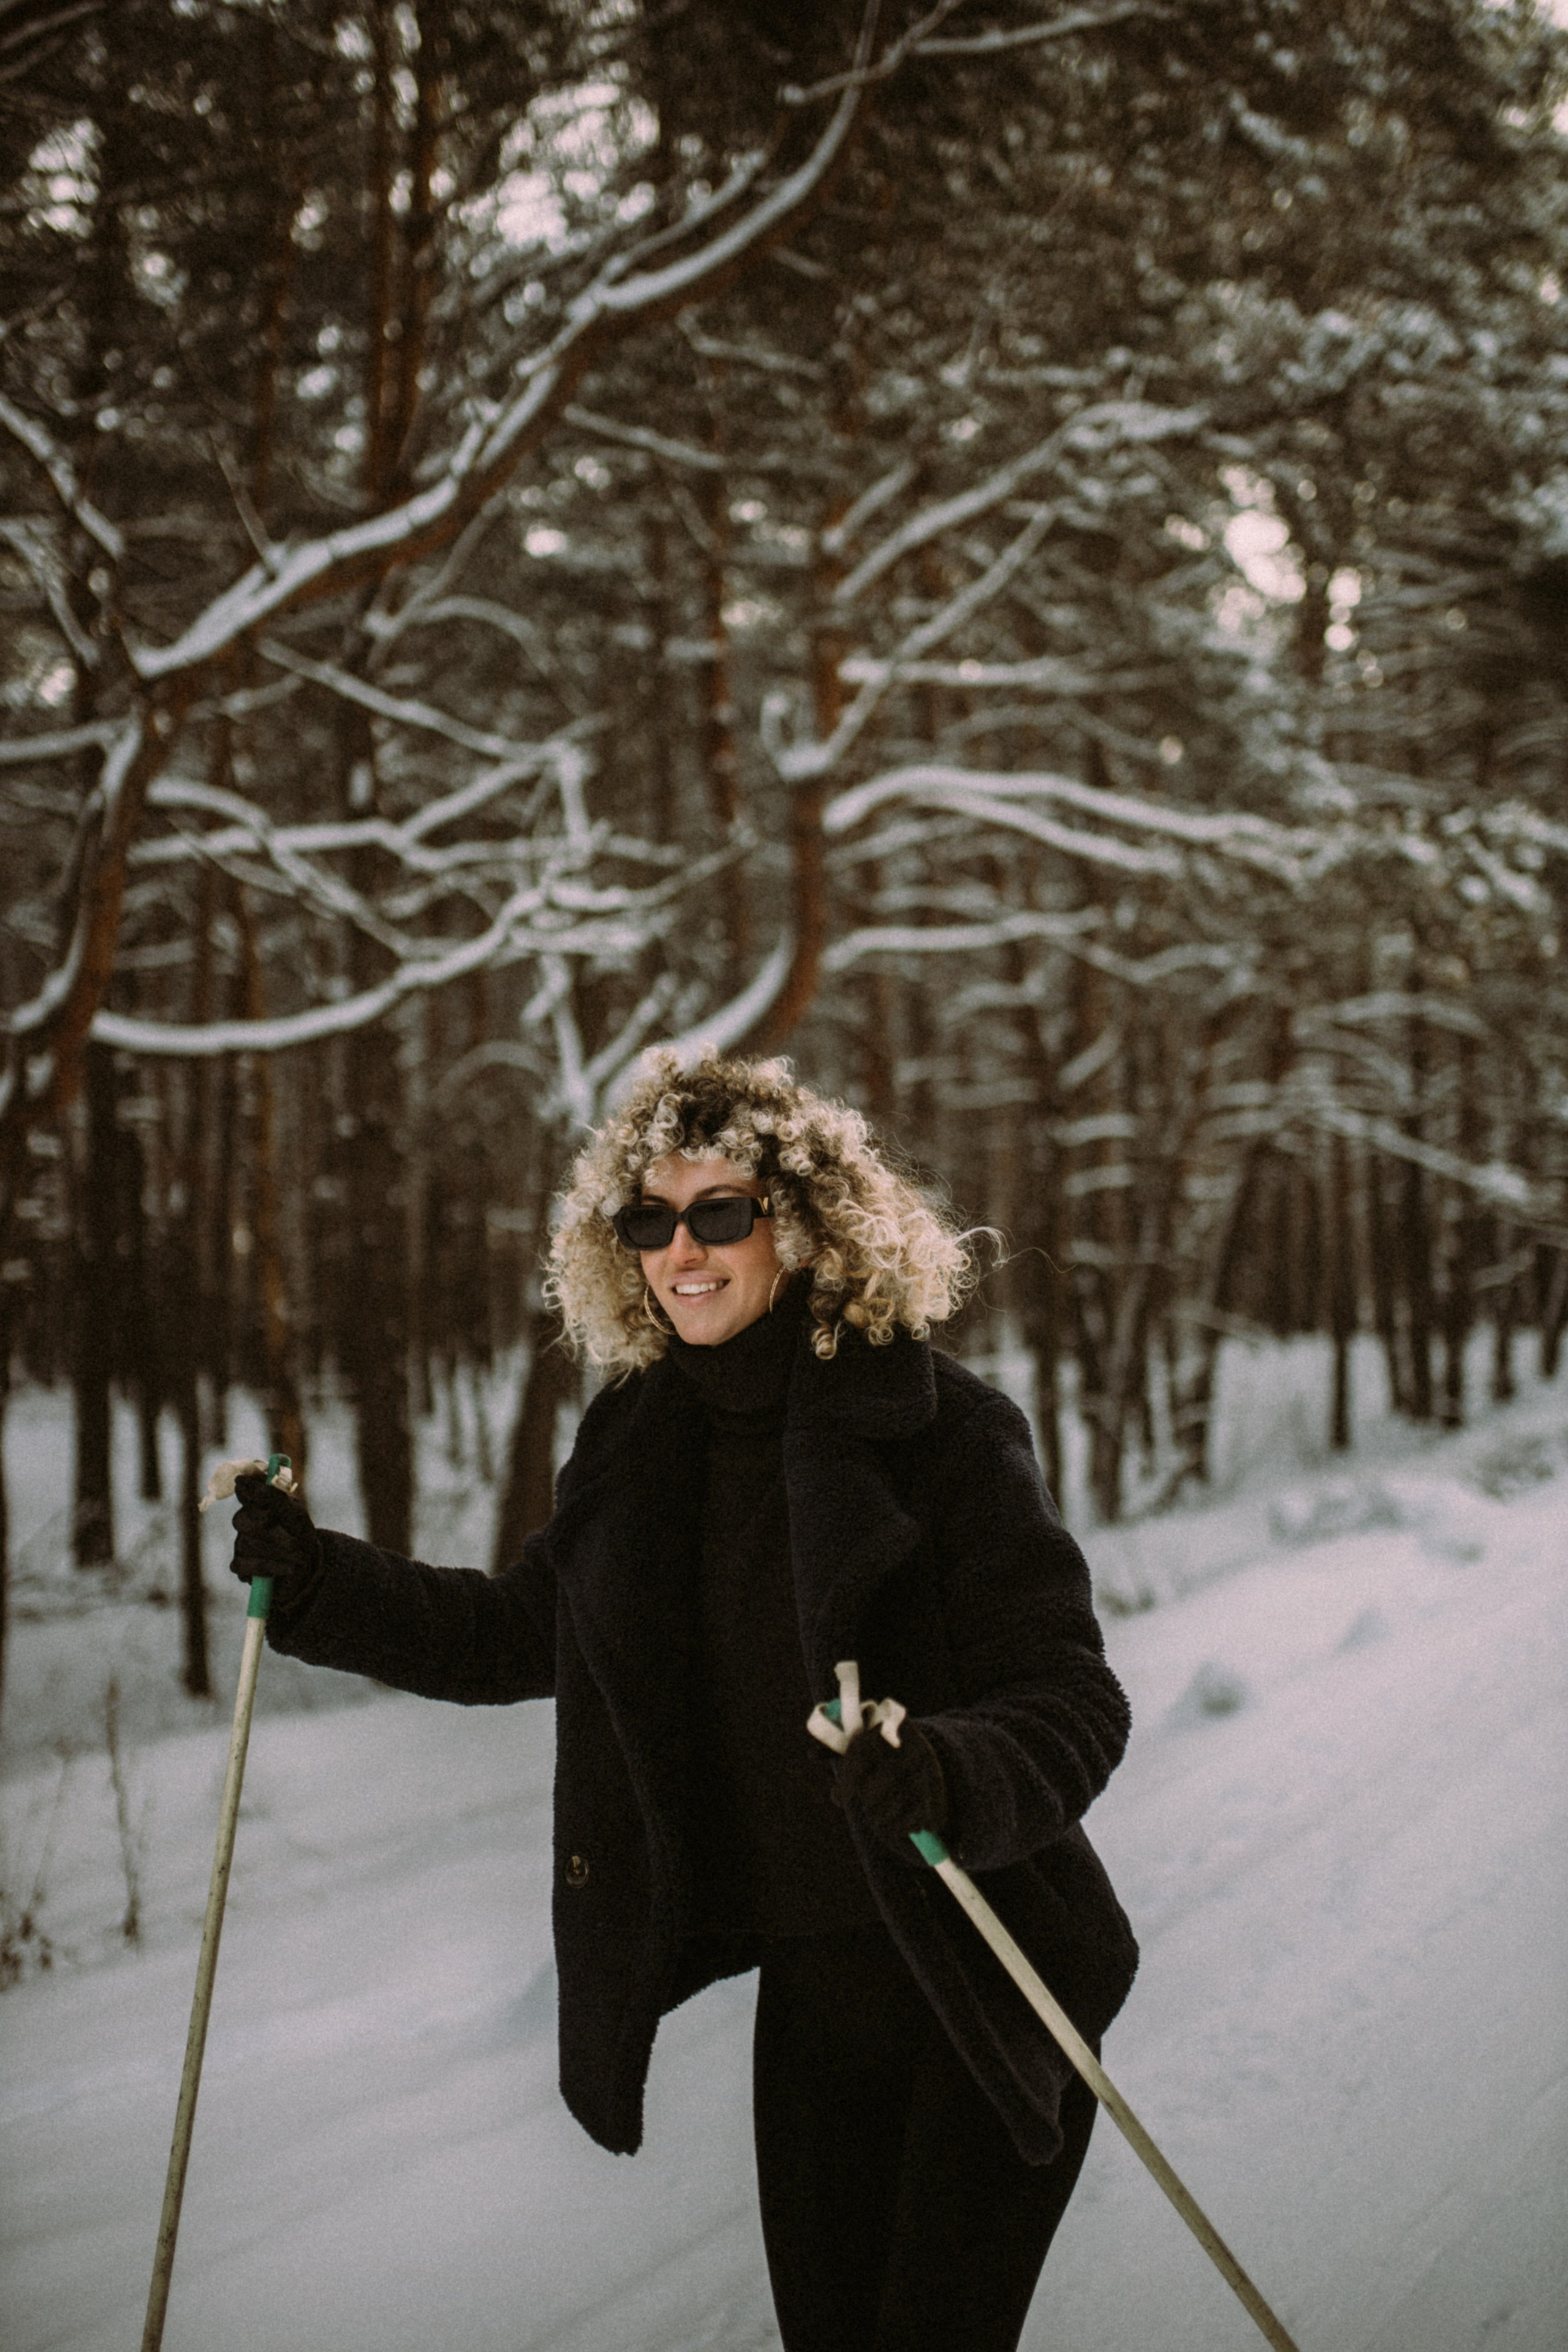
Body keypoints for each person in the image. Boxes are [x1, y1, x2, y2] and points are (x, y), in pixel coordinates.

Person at [230, 1051, 1137, 2352]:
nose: (682, 1251)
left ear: (807, 1224)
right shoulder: (638, 1439)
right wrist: (321, 1585)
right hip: (816, 1995)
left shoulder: (940, 1430)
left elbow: (1067, 1693)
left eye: (722, 1212)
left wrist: (942, 1766)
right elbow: (516, 1633)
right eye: (649, 1220)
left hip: (983, 1974)